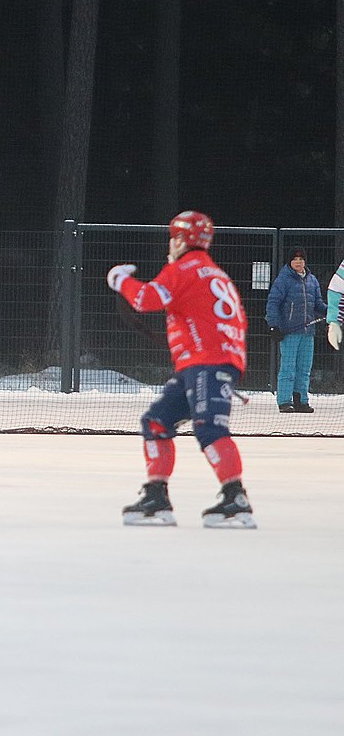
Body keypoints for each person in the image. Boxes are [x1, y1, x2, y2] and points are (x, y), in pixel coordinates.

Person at [108, 210, 255, 529]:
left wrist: (119, 279)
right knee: (157, 421)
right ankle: (156, 494)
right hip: (207, 362)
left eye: (172, 238)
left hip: (206, 363)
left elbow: (147, 298)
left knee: (210, 428)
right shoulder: (215, 273)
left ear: (178, 240)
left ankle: (235, 498)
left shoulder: (184, 269)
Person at [264, 247, 325, 413]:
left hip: (308, 333)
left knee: (304, 368)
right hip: (289, 332)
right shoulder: (283, 280)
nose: (298, 262)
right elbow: (273, 303)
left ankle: (301, 400)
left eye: (301, 258)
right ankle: (285, 401)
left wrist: (332, 311)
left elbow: (318, 304)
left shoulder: (312, 280)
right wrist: (274, 325)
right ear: (289, 262)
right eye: (295, 259)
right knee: (288, 367)